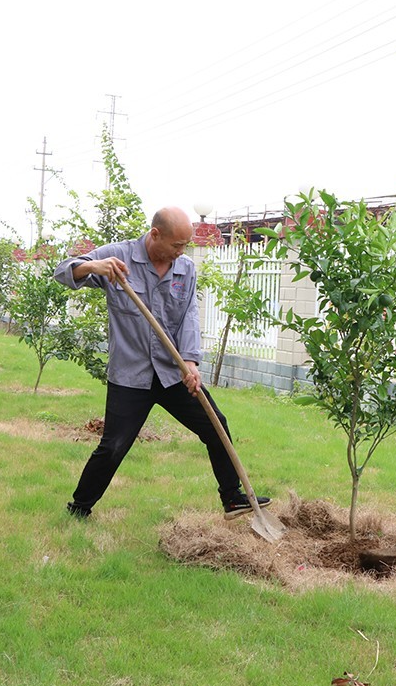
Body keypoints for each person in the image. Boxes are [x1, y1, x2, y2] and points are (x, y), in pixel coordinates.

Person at [53, 206, 271, 520]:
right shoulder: (118, 257)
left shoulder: (184, 268)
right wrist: (93, 267)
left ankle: (233, 498)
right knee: (114, 445)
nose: (181, 252)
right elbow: (62, 272)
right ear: (155, 234)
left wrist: (191, 361)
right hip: (131, 375)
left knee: (215, 426)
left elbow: (189, 318)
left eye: (185, 246)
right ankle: (79, 508)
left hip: (173, 374)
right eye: (176, 245)